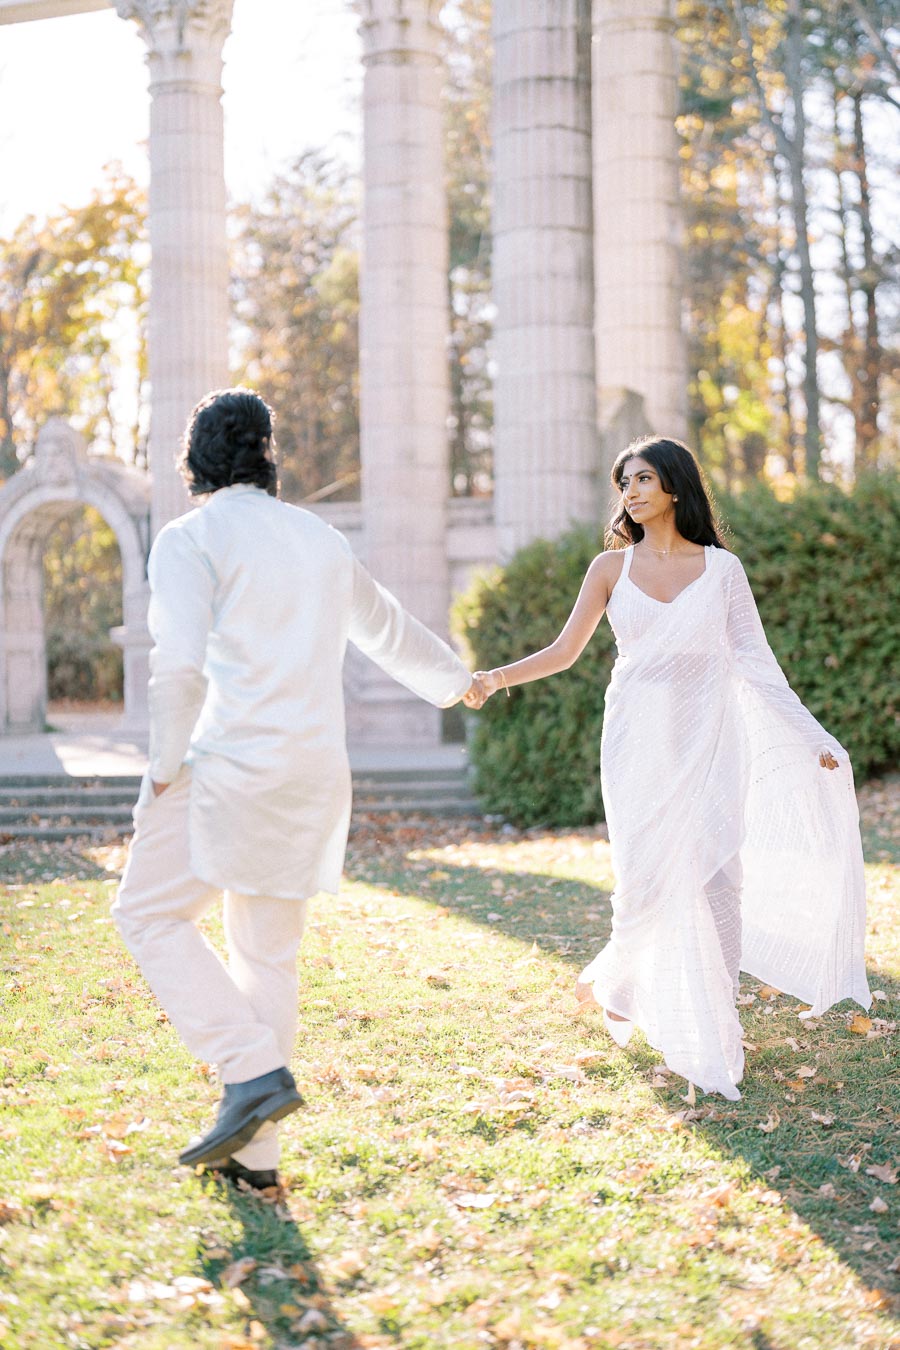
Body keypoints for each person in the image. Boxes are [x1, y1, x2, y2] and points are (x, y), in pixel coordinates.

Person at [113, 388, 480, 1189]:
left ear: (197, 456)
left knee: (144, 911)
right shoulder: (317, 537)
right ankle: (256, 1161)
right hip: (312, 775)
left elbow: (175, 665)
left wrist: (161, 770)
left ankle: (249, 1069)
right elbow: (387, 628)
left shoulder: (190, 537)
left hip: (227, 769)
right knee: (267, 958)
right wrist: (458, 683)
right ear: (268, 454)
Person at [466, 435, 870, 1099]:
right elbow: (565, 651)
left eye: (645, 478)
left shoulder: (722, 570)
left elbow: (755, 662)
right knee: (646, 875)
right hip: (636, 739)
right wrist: (493, 677)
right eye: (624, 480)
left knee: (717, 873)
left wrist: (812, 735)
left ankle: (719, 1017)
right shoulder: (608, 570)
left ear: (675, 487)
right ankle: (625, 982)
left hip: (710, 738)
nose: (631, 491)